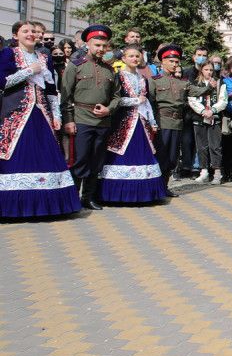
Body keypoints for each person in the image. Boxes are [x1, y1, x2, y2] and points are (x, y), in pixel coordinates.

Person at [0, 21, 81, 217]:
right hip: (16, 112)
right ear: (16, 35)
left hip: (41, 113)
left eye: (33, 31)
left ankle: (48, 205)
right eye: (25, 31)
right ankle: (13, 207)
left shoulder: (44, 56)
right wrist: (29, 71)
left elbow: (52, 89)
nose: (30, 34)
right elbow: (3, 81)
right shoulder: (8, 54)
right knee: (16, 156)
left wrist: (56, 114)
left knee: (46, 155)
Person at [61, 24, 121, 210]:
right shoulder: (75, 66)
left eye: (104, 46)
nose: (101, 49)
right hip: (81, 119)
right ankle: (72, 199)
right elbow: (65, 96)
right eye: (97, 45)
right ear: (88, 44)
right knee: (80, 160)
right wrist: (69, 120)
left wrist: (108, 109)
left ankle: (88, 198)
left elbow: (117, 96)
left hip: (103, 121)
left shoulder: (110, 70)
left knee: (96, 161)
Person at [97, 44, 166, 203]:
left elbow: (146, 101)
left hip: (141, 121)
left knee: (143, 153)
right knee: (121, 152)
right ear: (123, 58)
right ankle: (116, 194)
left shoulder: (142, 78)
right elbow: (115, 100)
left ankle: (143, 193)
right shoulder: (118, 76)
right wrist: (135, 100)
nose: (135, 59)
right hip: (123, 121)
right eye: (131, 56)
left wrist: (152, 120)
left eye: (137, 56)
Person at [150, 45, 205, 197]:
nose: (175, 64)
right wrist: (152, 123)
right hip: (161, 122)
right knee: (160, 155)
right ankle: (155, 188)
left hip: (177, 123)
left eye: (177, 62)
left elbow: (196, 91)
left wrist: (210, 86)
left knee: (172, 158)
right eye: (172, 61)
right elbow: (151, 103)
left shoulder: (182, 82)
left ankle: (164, 187)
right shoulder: (154, 81)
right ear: (163, 61)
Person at [188, 61, 228, 184]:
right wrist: (202, 111)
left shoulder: (220, 83)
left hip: (214, 118)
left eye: (211, 70)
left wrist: (213, 110)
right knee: (201, 146)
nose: (209, 72)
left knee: (215, 146)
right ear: (201, 70)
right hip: (199, 118)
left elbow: (223, 100)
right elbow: (192, 100)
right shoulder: (195, 83)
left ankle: (217, 172)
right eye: (206, 69)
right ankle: (204, 171)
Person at [178, 46, 209, 178]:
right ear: (194, 56)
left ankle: (196, 167)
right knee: (186, 140)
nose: (201, 57)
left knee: (199, 141)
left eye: (204, 55)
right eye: (199, 54)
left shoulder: (208, 72)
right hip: (187, 112)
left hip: (203, 113)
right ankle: (185, 166)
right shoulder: (186, 72)